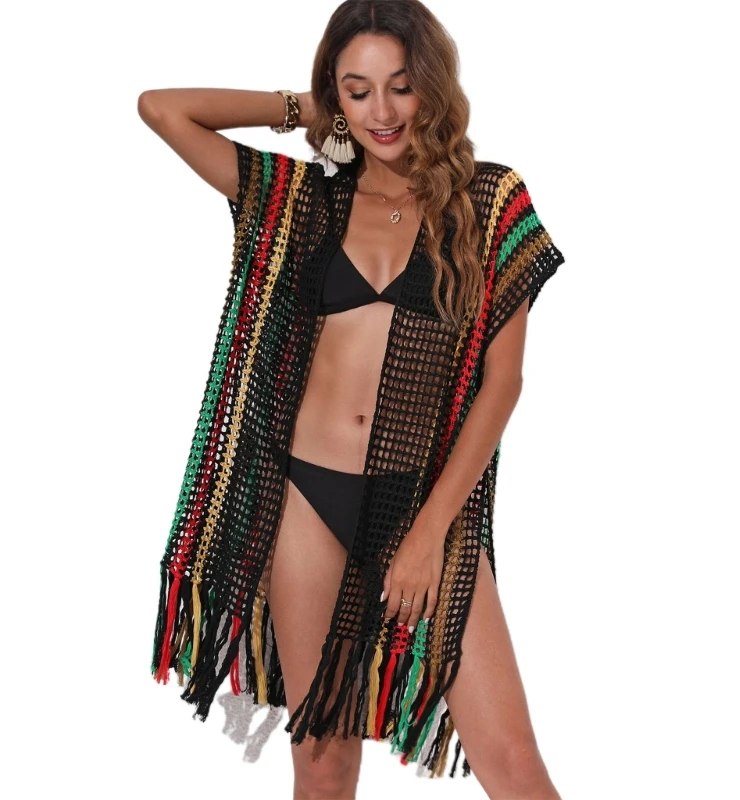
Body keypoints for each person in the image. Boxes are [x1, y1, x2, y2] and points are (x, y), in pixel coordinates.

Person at [139, 1, 565, 797]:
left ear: (431, 84)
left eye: (401, 86)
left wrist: (428, 534)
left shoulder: (487, 201)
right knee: (324, 762)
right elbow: (161, 109)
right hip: (308, 500)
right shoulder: (304, 199)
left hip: (425, 501)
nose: (382, 112)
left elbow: (503, 385)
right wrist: (305, 110)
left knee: (513, 764)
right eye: (358, 90)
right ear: (334, 94)